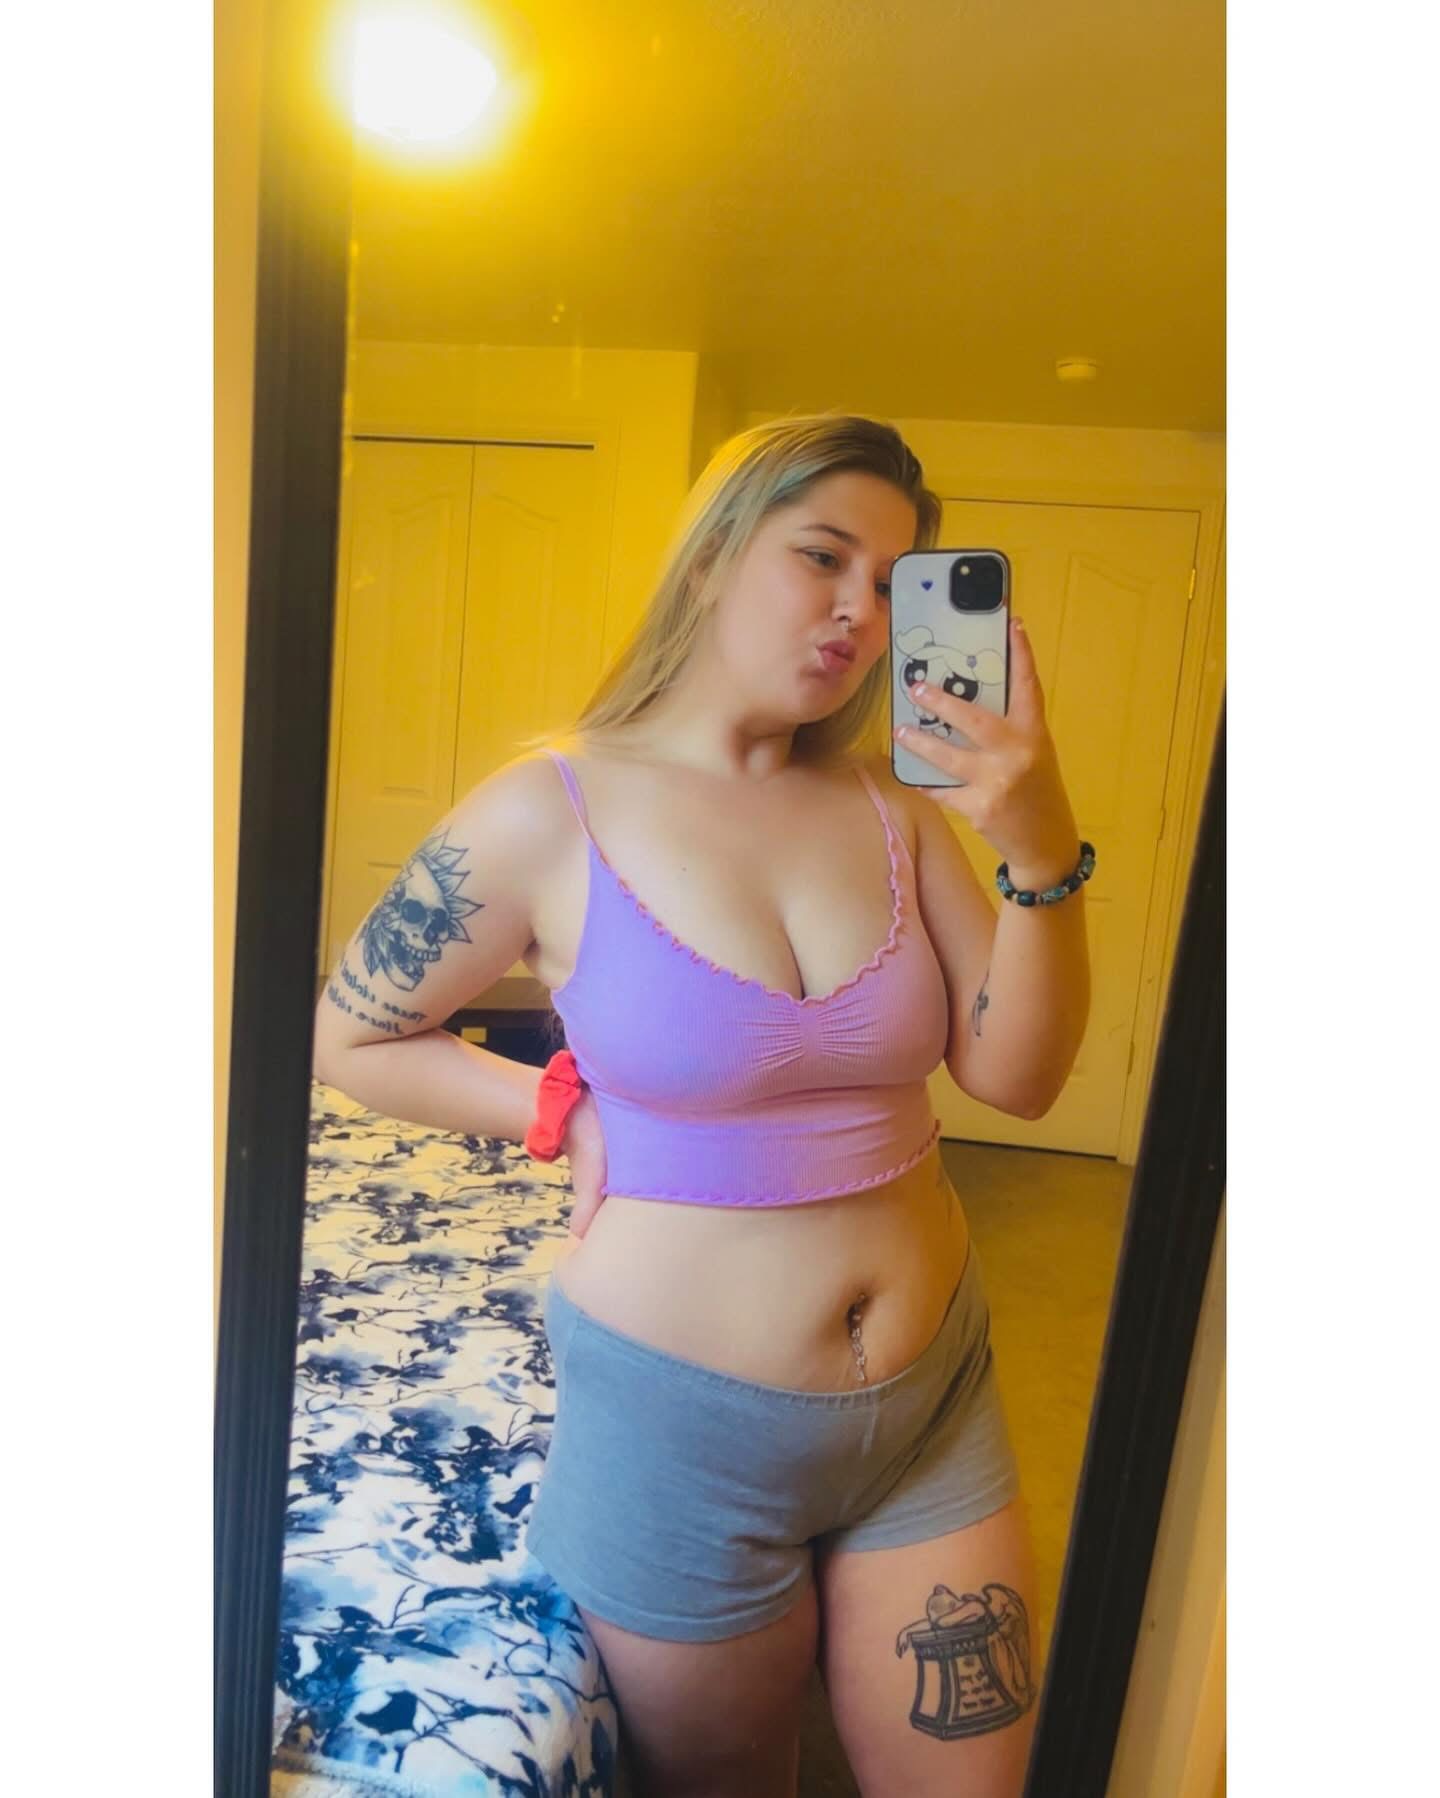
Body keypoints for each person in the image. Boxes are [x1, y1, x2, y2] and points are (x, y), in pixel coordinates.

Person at [313, 414, 1091, 1798]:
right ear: (715, 553)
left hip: (932, 1401)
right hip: (676, 1436)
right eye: (822, 556)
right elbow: (353, 1032)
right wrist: (563, 1110)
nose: (859, 612)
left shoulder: (894, 811)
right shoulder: (545, 808)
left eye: (891, 581)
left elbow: (1017, 1078)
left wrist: (1039, 849)